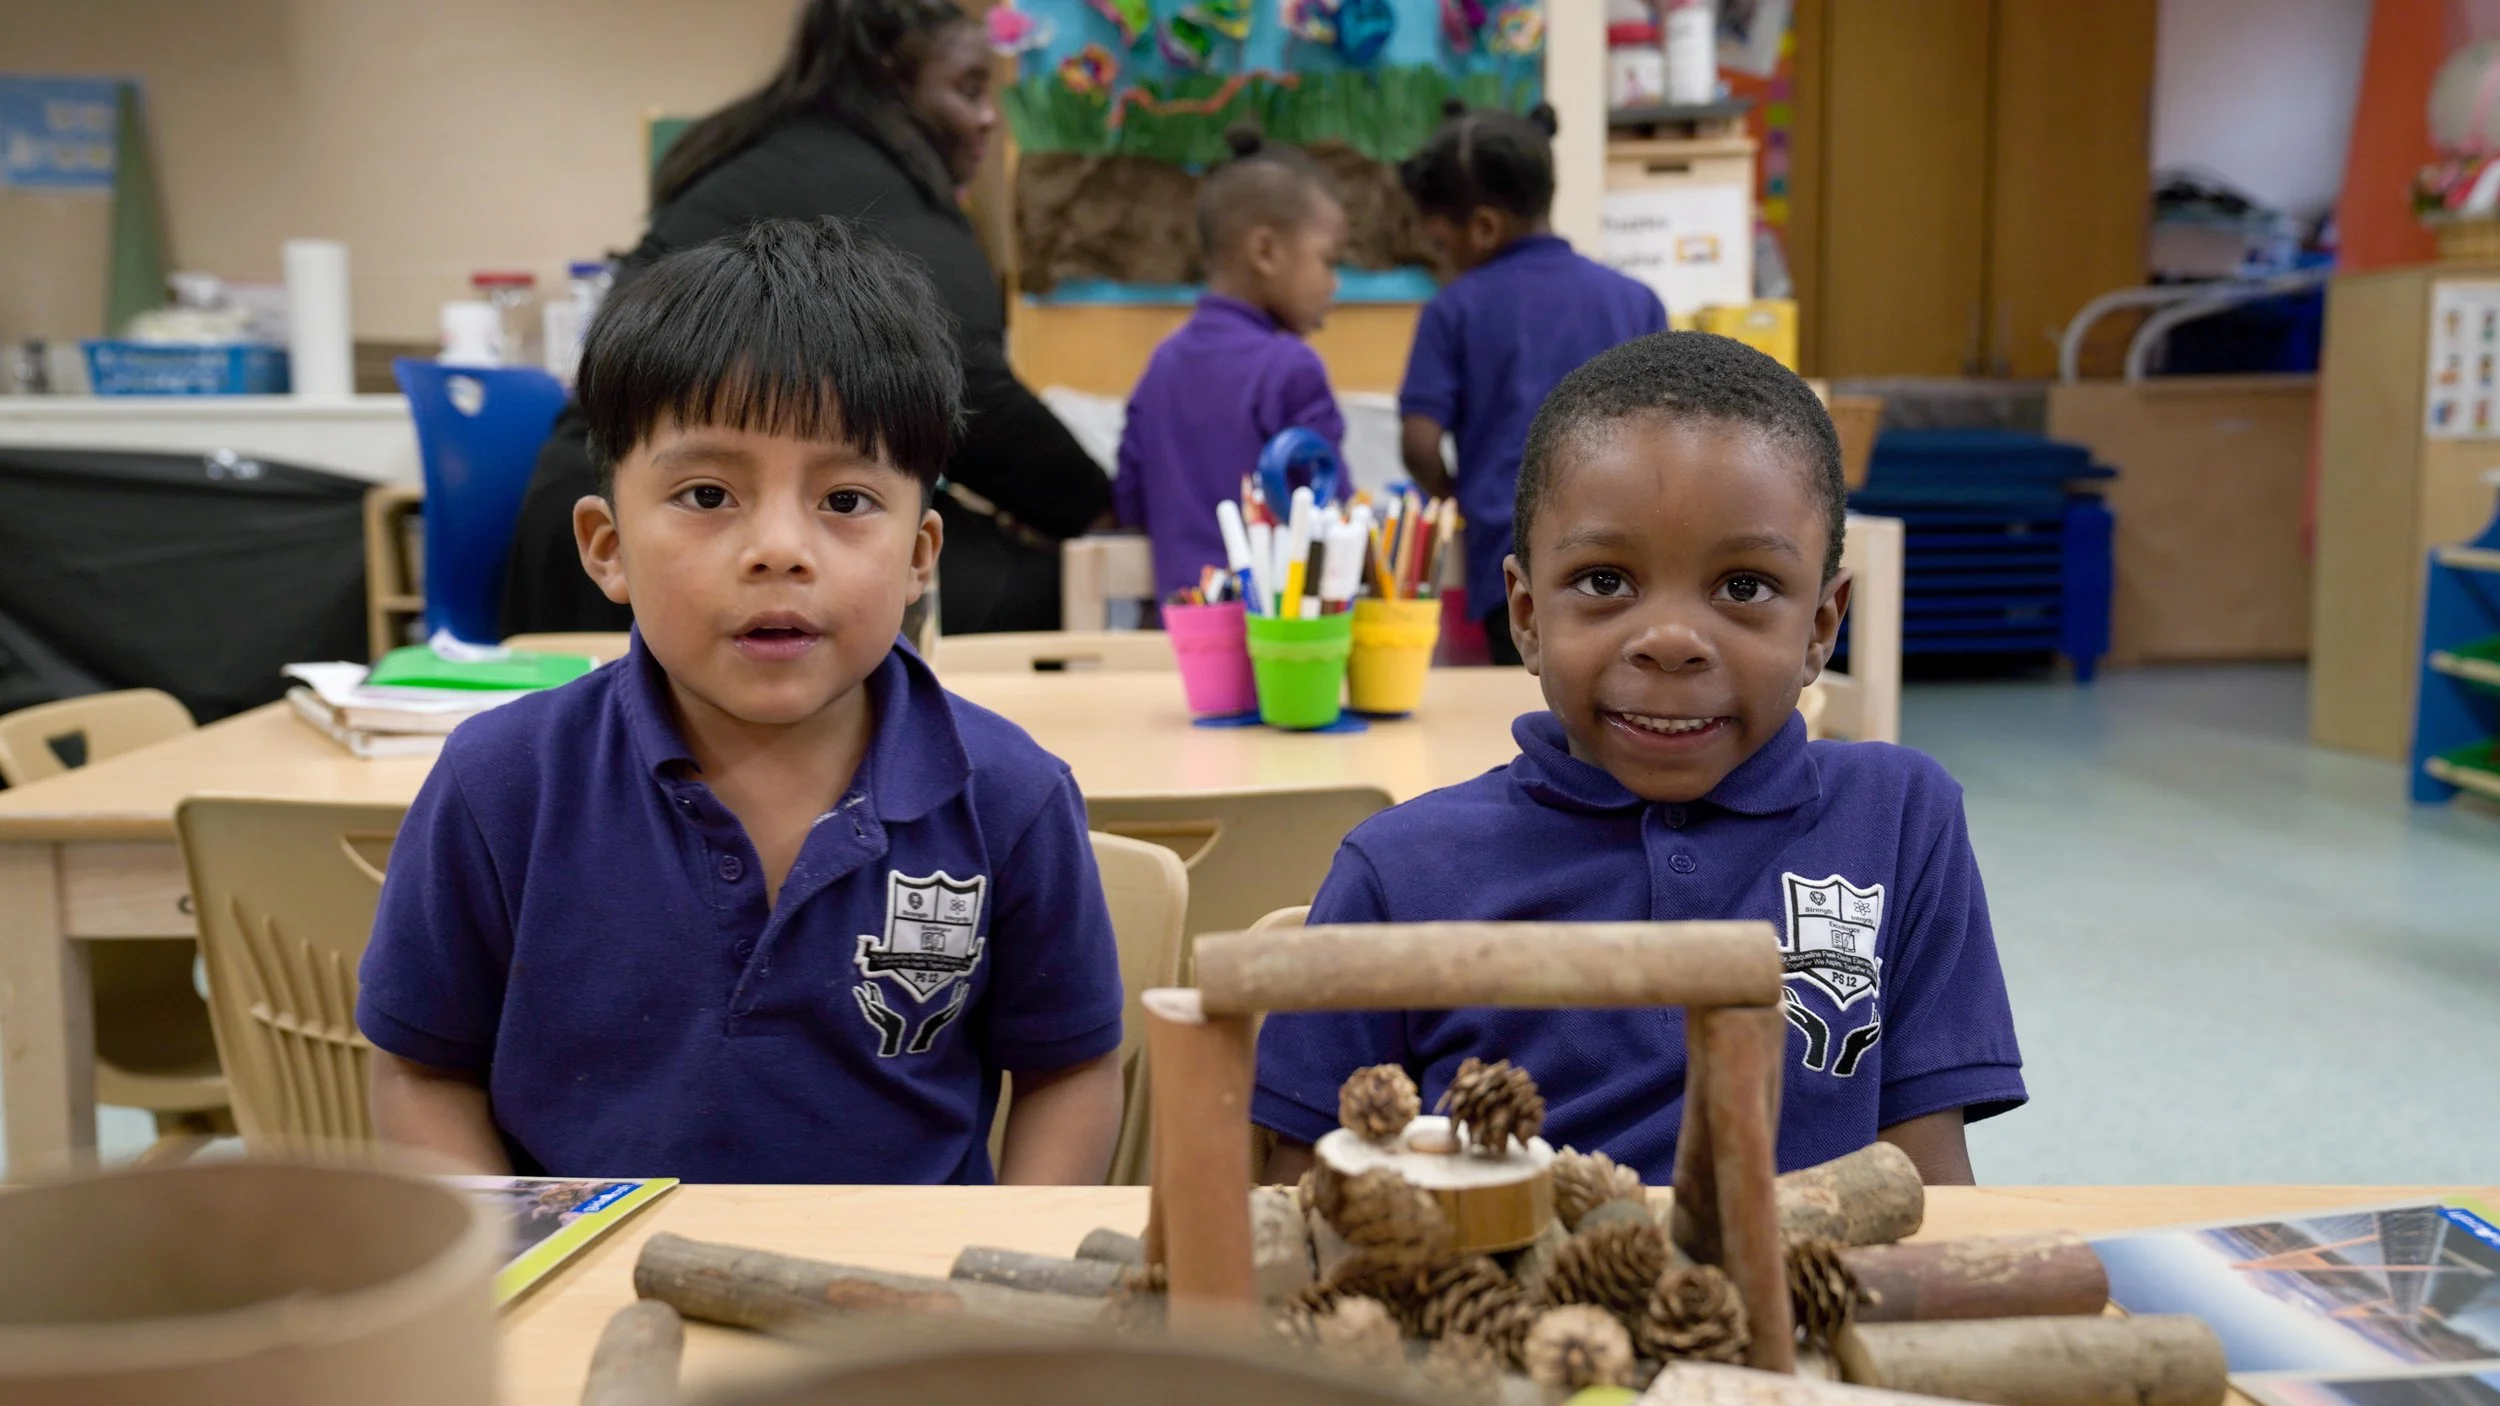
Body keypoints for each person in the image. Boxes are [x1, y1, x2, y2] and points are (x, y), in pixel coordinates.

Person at [362, 219, 1127, 1184]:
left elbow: (1070, 1068)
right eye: (708, 494)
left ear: (922, 557)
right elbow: (424, 1069)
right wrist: (510, 1275)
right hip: (590, 1308)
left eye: (845, 501)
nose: (779, 548)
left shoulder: (1010, 795)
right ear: (607, 548)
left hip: (905, 1316)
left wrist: (1008, 1286)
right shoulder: (500, 784)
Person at [1255, 332, 2024, 1187]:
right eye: (1605, 580)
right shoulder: (1398, 871)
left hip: (1811, 1307)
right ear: (1526, 613)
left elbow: (1927, 1193)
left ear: (1821, 626)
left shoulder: (1900, 820)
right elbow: (1306, 1212)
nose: (1669, 642)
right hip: (1506, 1316)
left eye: (1743, 587)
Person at [502, 0, 1109, 639]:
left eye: (843, 501)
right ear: (890, 71)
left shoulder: (772, 152)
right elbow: (974, 390)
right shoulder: (870, 189)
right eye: (967, 89)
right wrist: (1101, 505)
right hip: (622, 525)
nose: (989, 119)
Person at [1396, 102, 1667, 665]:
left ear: (1485, 226)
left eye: (1442, 245)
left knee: (1525, 712)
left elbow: (1419, 444)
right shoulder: (1636, 301)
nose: (1441, 263)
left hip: (1509, 552)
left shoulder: (1454, 310)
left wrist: (1456, 497)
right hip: (1630, 547)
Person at [1115, 130, 1349, 601]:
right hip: (1281, 643)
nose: (1334, 284)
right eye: (1328, 260)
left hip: (1186, 640)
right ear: (1265, 251)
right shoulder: (1291, 367)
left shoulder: (1162, 364)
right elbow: (1330, 516)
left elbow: (1128, 503)